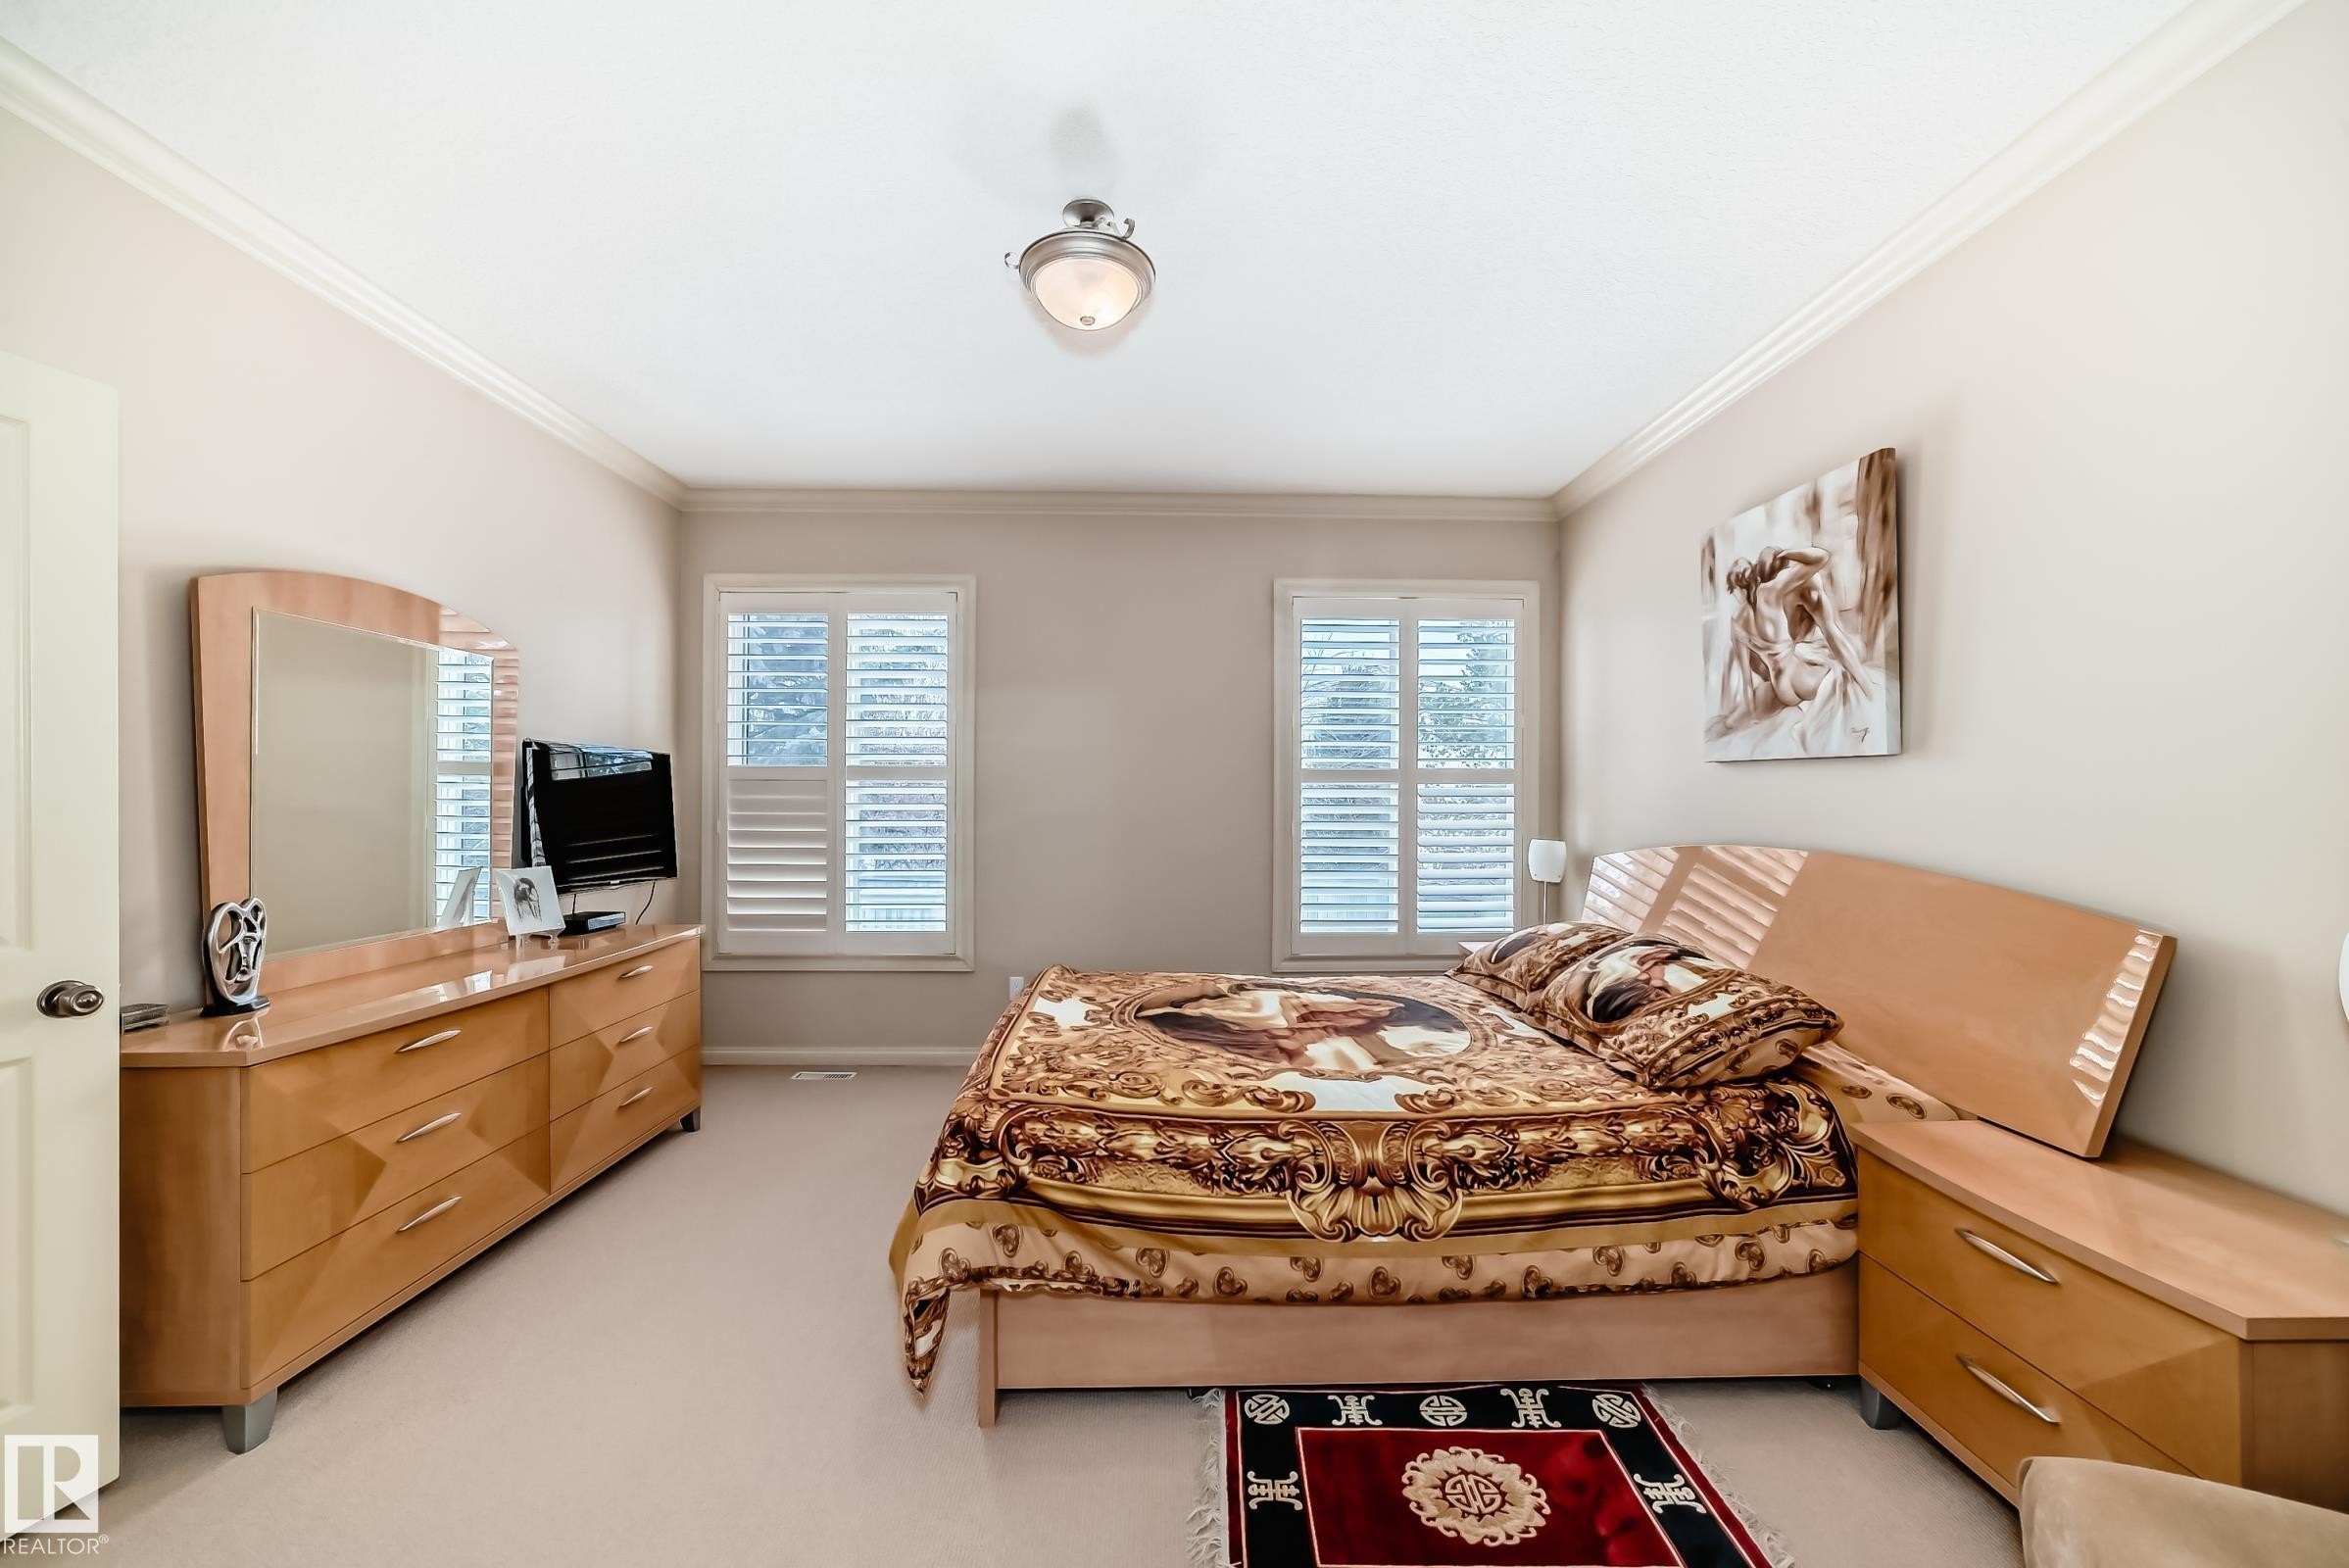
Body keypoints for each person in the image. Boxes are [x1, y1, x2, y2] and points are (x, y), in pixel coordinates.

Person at [1711, 543, 1876, 741]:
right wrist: (1785, 553)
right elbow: (1821, 556)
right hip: (1799, 677)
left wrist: (1753, 714)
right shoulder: (1769, 593)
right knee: (1844, 673)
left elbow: (1747, 681)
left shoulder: (1736, 623)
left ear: (1736, 588)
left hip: (1782, 688)